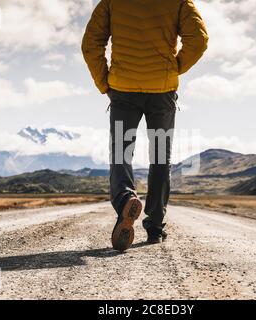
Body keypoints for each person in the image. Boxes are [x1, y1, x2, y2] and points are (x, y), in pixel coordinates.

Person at [82, 0, 208, 251]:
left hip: (123, 89)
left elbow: (90, 43)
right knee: (160, 157)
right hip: (162, 91)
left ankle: (125, 199)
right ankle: (155, 226)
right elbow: (199, 39)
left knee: (121, 153)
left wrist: (103, 82)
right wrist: (173, 68)